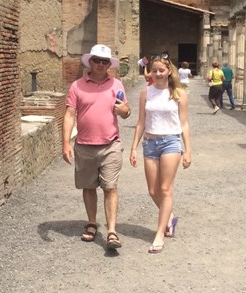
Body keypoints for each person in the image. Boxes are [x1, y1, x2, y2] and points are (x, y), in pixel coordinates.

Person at [62, 44, 131, 251]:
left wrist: (124, 110)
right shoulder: (77, 86)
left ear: (109, 64)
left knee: (110, 187)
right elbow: (69, 115)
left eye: (105, 61)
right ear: (90, 61)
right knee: (89, 187)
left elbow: (126, 111)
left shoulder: (116, 84)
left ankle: (111, 232)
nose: (101, 64)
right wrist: (65, 142)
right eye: (97, 60)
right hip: (84, 145)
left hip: (111, 144)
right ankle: (92, 223)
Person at [129, 53, 191, 254]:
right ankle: (170, 216)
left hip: (171, 142)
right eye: (154, 70)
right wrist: (133, 148)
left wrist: (188, 150)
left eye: (161, 70)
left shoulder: (179, 93)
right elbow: (140, 122)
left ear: (169, 71)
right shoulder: (146, 92)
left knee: (165, 189)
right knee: (152, 191)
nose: (157, 74)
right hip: (150, 142)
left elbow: (184, 124)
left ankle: (159, 234)